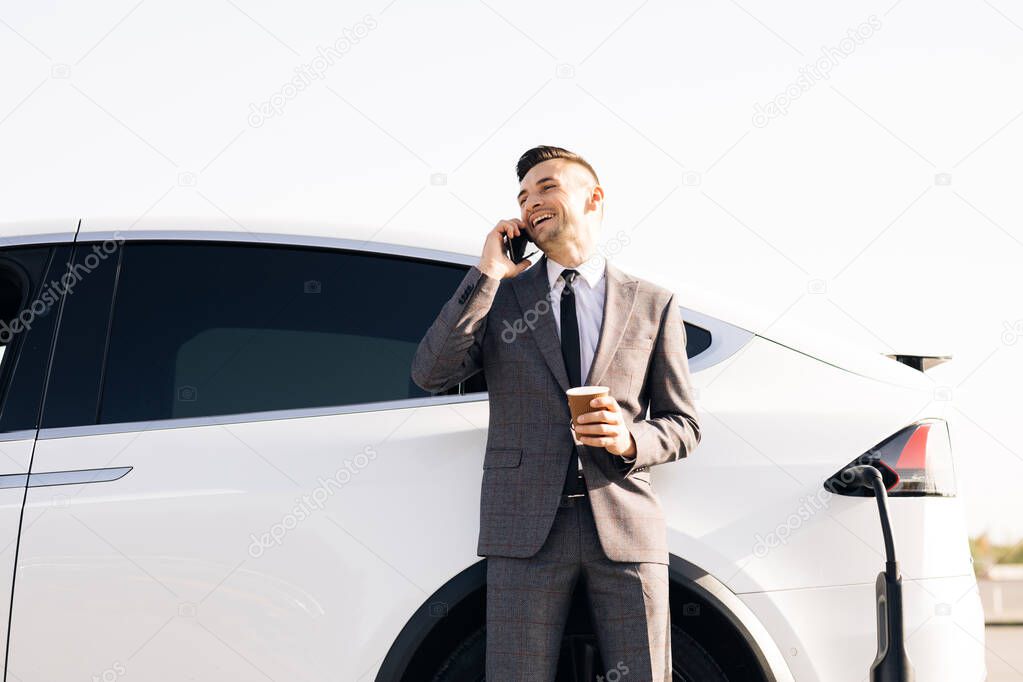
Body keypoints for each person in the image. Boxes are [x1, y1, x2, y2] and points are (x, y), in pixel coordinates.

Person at [411, 145, 701, 681]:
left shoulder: (652, 303)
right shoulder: (500, 296)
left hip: (624, 521)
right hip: (524, 527)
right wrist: (487, 273)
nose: (530, 203)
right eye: (522, 197)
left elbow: (684, 426)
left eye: (546, 187)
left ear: (594, 198)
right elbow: (431, 373)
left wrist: (629, 438)